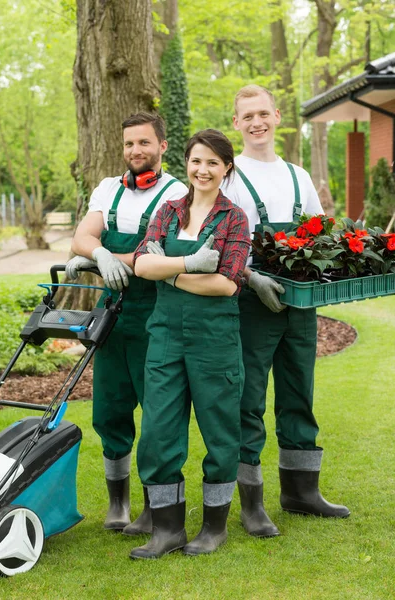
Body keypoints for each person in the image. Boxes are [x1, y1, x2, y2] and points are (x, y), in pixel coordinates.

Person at [222, 85, 350, 538]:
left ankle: (301, 492)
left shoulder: (298, 175)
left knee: (299, 393)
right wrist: (251, 278)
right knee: (249, 400)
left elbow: (319, 235)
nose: (256, 122)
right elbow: (215, 242)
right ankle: (252, 503)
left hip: (300, 304)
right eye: (247, 116)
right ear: (236, 124)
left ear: (277, 117)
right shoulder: (228, 178)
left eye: (263, 113)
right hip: (250, 303)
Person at [129, 129, 251, 559]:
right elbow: (142, 265)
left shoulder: (234, 218)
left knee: (220, 431)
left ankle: (213, 528)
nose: (203, 169)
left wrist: (171, 272)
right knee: (159, 431)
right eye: (197, 161)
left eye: (213, 163)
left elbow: (226, 283)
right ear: (187, 163)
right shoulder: (167, 211)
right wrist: (188, 264)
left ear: (226, 169)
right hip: (164, 336)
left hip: (214, 340)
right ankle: (167, 530)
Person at [65, 112, 188, 534]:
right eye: (129, 144)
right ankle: (117, 502)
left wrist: (101, 254)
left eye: (144, 143)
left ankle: (157, 505)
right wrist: (95, 254)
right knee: (110, 409)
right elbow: (82, 237)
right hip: (114, 318)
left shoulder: (178, 193)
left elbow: (155, 261)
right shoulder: (107, 188)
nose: (136, 151)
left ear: (162, 146)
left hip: (158, 318)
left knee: (159, 413)